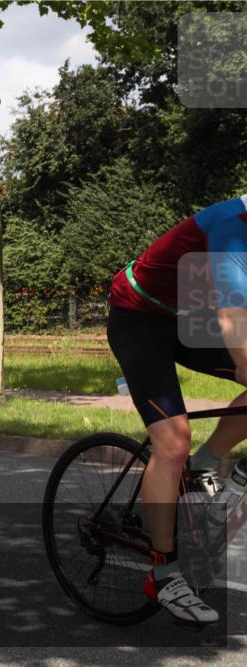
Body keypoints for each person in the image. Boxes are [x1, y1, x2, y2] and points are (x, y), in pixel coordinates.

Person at [107, 195, 247, 624]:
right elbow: (234, 320)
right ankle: (164, 573)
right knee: (172, 443)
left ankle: (206, 467)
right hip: (140, 317)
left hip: (189, 318)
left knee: (189, 454)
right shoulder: (233, 226)